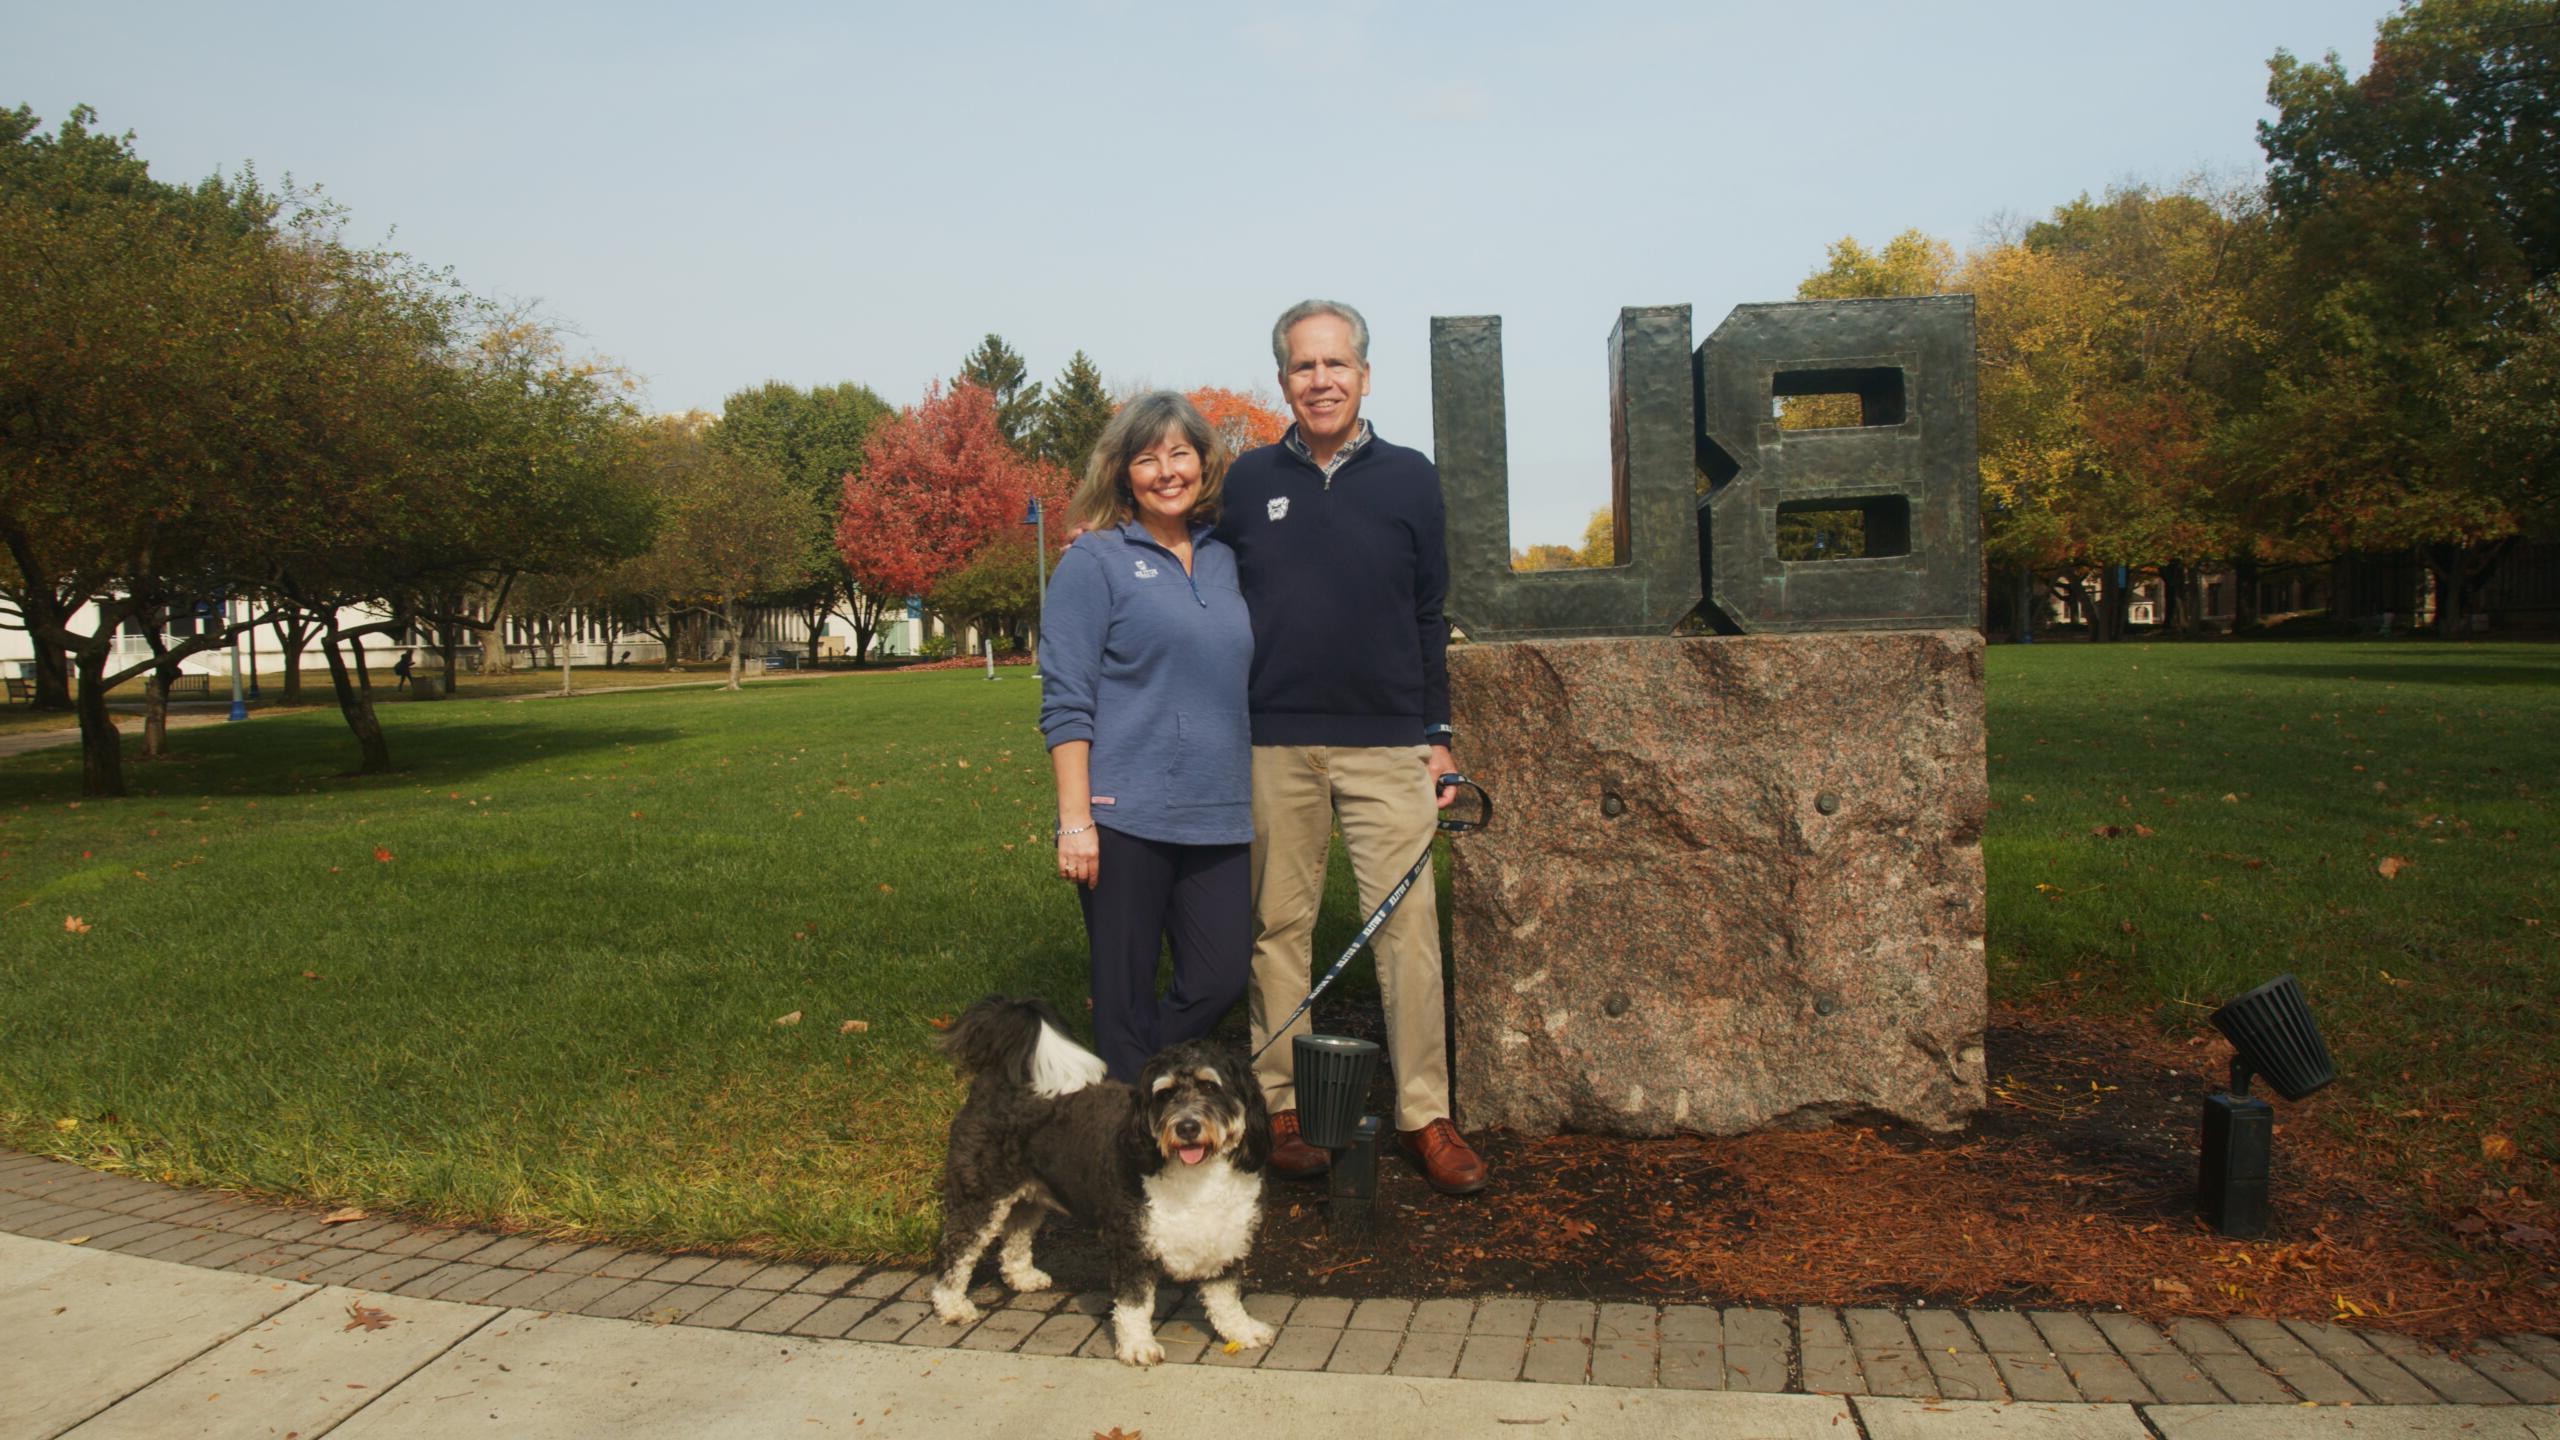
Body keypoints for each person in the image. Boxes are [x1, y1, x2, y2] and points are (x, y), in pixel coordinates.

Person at [1215, 299, 1488, 1196]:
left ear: (1365, 375)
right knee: (1277, 931)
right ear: (1284, 381)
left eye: (1337, 364)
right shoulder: (1247, 481)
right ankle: (1279, 1105)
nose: (1320, 380)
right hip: (1273, 744)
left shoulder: (1412, 477)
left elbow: (1427, 615)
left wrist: (1438, 739)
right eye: (1303, 367)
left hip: (1388, 747)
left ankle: (1424, 1114)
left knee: (1407, 933)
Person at [1039, 392, 1255, 1083]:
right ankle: (1122, 1143)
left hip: (1218, 814)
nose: (1166, 470)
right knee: (1124, 996)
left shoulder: (1226, 558)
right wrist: (1075, 823)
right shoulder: (1094, 561)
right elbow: (1066, 700)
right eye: (1147, 457)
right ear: (1122, 472)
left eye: (1180, 453)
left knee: (1220, 978)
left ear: (1204, 462)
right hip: (1122, 815)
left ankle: (1118, 1083)